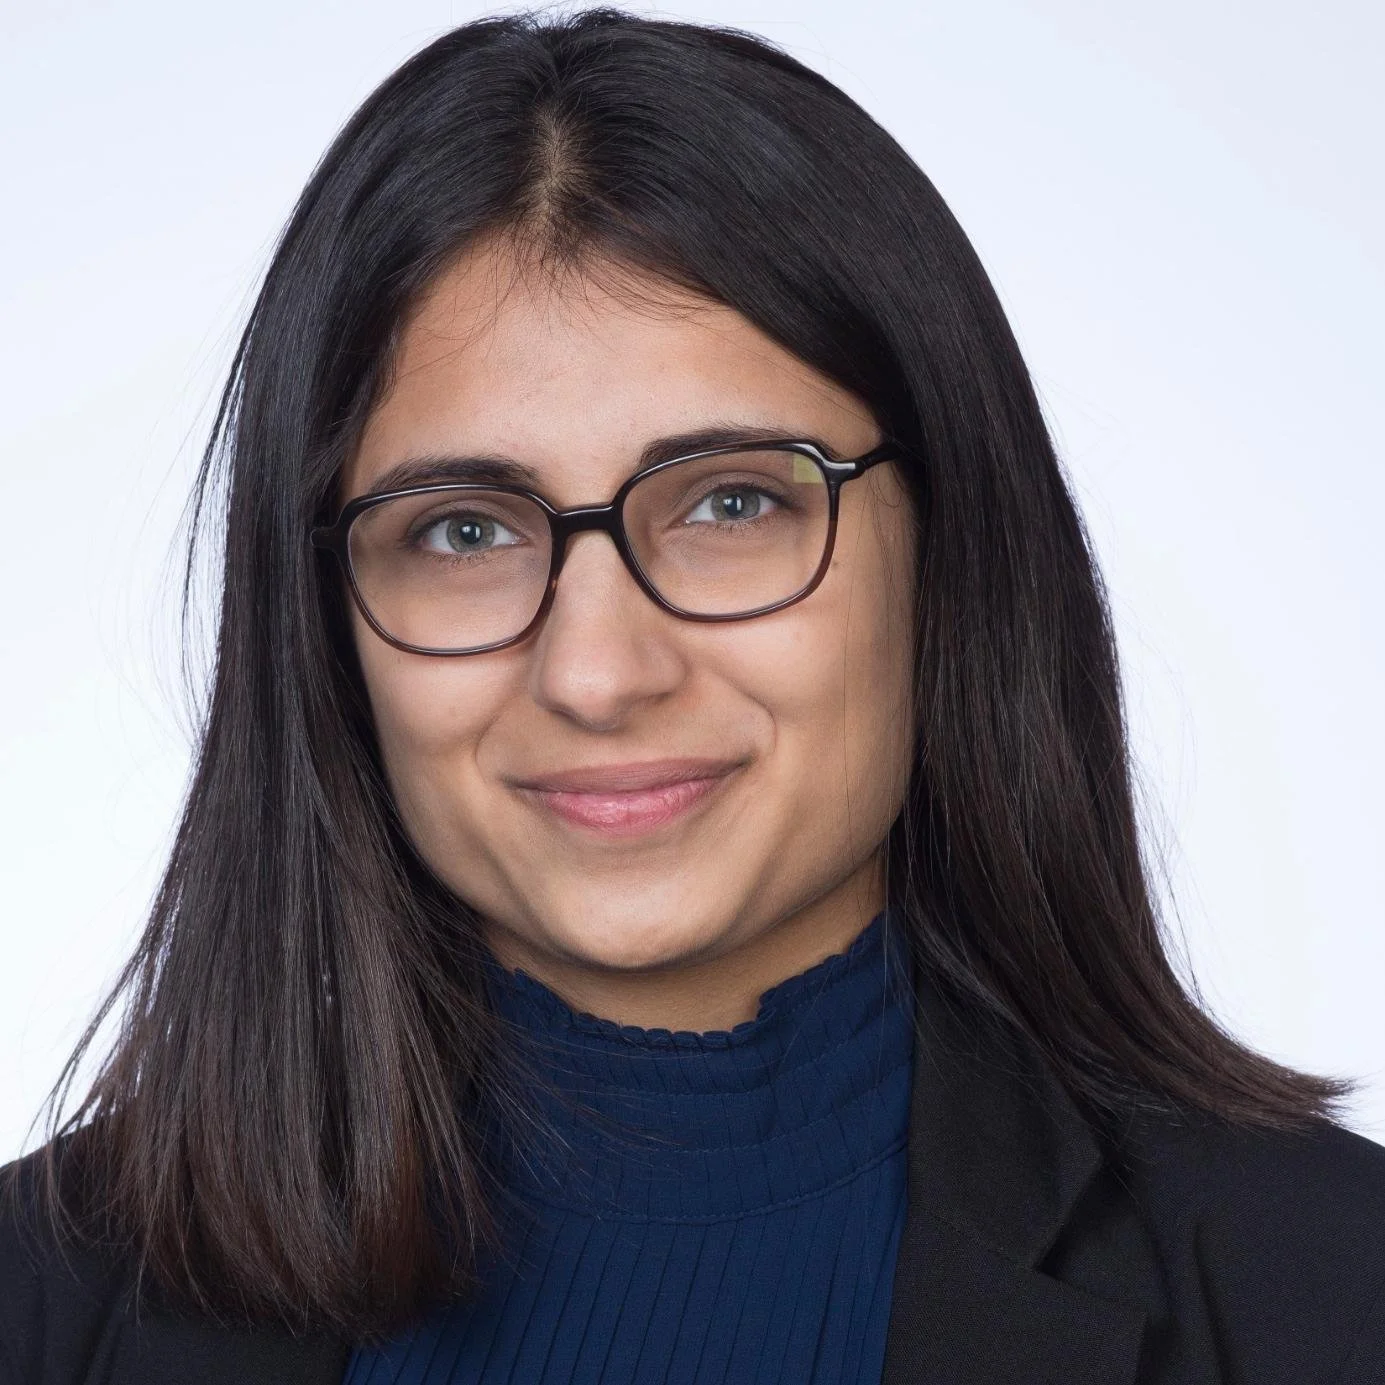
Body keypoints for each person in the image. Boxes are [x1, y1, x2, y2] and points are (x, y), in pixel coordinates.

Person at [3, 9, 1383, 1384]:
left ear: (955, 547)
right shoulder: (38, 1305)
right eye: (465, 530)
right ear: (321, 618)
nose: (598, 675)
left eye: (732, 503)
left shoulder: (1335, 1299)